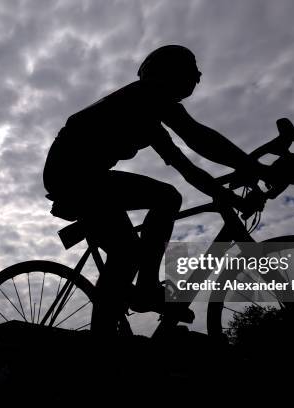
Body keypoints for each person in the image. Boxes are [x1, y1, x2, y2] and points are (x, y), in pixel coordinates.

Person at [43, 45, 271, 332]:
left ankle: (111, 323)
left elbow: (187, 168)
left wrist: (228, 194)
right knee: (164, 200)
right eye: (190, 74)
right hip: (73, 173)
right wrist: (256, 168)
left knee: (126, 255)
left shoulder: (150, 118)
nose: (196, 80)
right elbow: (197, 137)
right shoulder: (145, 95)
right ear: (167, 74)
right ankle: (146, 290)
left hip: (82, 175)